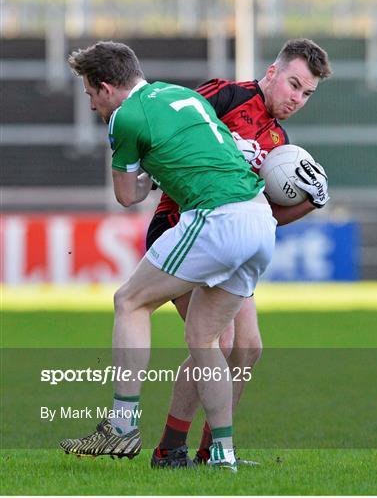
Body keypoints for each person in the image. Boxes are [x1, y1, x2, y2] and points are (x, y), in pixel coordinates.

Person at [60, 40, 279, 472]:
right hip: (260, 220)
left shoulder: (125, 116)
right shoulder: (183, 94)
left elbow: (127, 196)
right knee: (204, 339)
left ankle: (121, 427)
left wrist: (145, 176)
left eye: (89, 94)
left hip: (218, 218)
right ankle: (223, 455)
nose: (90, 104)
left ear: (105, 87)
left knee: (129, 301)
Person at [147, 39, 332, 468]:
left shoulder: (280, 144)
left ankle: (212, 450)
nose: (297, 99)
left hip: (231, 241)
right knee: (217, 340)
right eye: (293, 84)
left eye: (307, 93)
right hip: (184, 227)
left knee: (247, 347)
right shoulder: (226, 95)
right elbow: (173, 122)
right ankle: (170, 449)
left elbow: (267, 217)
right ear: (272, 71)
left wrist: (311, 201)